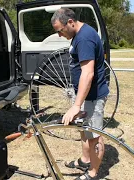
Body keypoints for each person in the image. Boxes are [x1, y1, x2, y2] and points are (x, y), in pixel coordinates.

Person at [51, 8, 109, 180]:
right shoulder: (78, 34)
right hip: (84, 95)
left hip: (93, 96)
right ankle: (85, 160)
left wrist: (76, 105)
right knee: (84, 131)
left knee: (94, 137)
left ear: (70, 22)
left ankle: (92, 173)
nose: (60, 35)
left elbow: (88, 73)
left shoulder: (84, 38)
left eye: (60, 30)